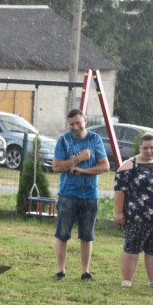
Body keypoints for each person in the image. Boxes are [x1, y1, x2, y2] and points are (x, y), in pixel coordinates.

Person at [52, 109, 109, 281]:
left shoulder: (95, 140)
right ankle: (60, 271)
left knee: (87, 235)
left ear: (85, 120)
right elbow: (56, 167)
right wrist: (79, 158)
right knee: (62, 234)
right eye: (72, 124)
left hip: (90, 195)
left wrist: (83, 170)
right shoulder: (63, 141)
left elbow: (105, 167)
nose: (75, 127)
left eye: (78, 123)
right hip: (67, 193)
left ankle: (86, 271)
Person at [114, 134, 153, 289]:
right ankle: (127, 280)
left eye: (152, 148)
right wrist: (119, 212)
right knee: (132, 247)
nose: (149, 151)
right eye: (145, 148)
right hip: (137, 217)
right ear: (140, 148)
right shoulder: (128, 166)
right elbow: (119, 191)